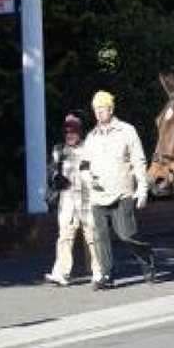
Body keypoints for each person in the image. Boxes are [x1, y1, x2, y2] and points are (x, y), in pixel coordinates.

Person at [81, 90, 156, 290]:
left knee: (127, 234)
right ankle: (107, 274)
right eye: (95, 109)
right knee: (100, 237)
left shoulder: (126, 131)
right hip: (98, 196)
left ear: (111, 109)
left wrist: (142, 188)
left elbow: (139, 160)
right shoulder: (91, 136)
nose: (98, 112)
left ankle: (146, 257)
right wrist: (86, 175)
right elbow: (84, 163)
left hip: (122, 192)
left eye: (102, 108)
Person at [44, 112, 103, 286]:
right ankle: (61, 272)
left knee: (92, 235)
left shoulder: (89, 148)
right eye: (67, 132)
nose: (70, 135)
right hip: (67, 197)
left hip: (87, 196)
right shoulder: (59, 149)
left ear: (80, 132)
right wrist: (56, 177)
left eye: (74, 131)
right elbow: (51, 169)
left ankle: (99, 271)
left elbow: (96, 171)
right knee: (65, 235)